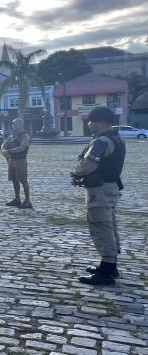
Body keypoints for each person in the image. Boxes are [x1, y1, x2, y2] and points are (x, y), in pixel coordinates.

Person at [71, 107, 125, 286]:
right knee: (109, 225)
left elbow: (88, 165)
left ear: (101, 122)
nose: (89, 124)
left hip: (100, 190)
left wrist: (75, 172)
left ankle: (107, 272)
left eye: (92, 121)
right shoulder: (115, 138)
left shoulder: (102, 141)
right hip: (108, 188)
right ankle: (109, 266)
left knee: (101, 227)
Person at [1, 118, 33, 209]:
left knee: (23, 180)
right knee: (14, 180)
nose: (13, 125)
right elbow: (4, 144)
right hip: (12, 160)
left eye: (15, 124)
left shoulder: (24, 136)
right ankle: (17, 199)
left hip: (20, 160)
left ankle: (27, 201)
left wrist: (9, 151)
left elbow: (22, 147)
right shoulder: (12, 135)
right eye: (12, 124)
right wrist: (3, 150)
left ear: (20, 124)